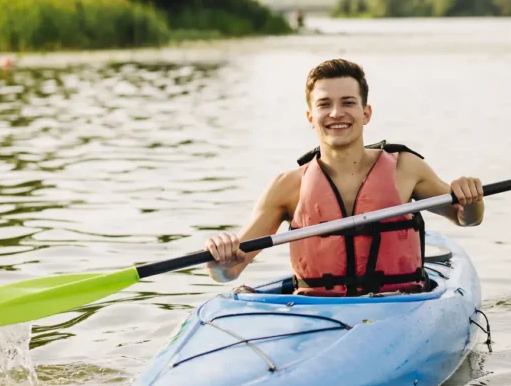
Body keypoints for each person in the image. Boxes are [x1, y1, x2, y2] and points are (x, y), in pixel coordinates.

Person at [205, 59, 484, 296]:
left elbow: (466, 217)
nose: (336, 113)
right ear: (310, 116)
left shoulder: (406, 168)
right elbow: (230, 271)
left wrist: (470, 196)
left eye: (348, 102)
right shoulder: (287, 187)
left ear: (366, 113)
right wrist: (220, 258)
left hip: (400, 305)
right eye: (324, 104)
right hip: (319, 315)